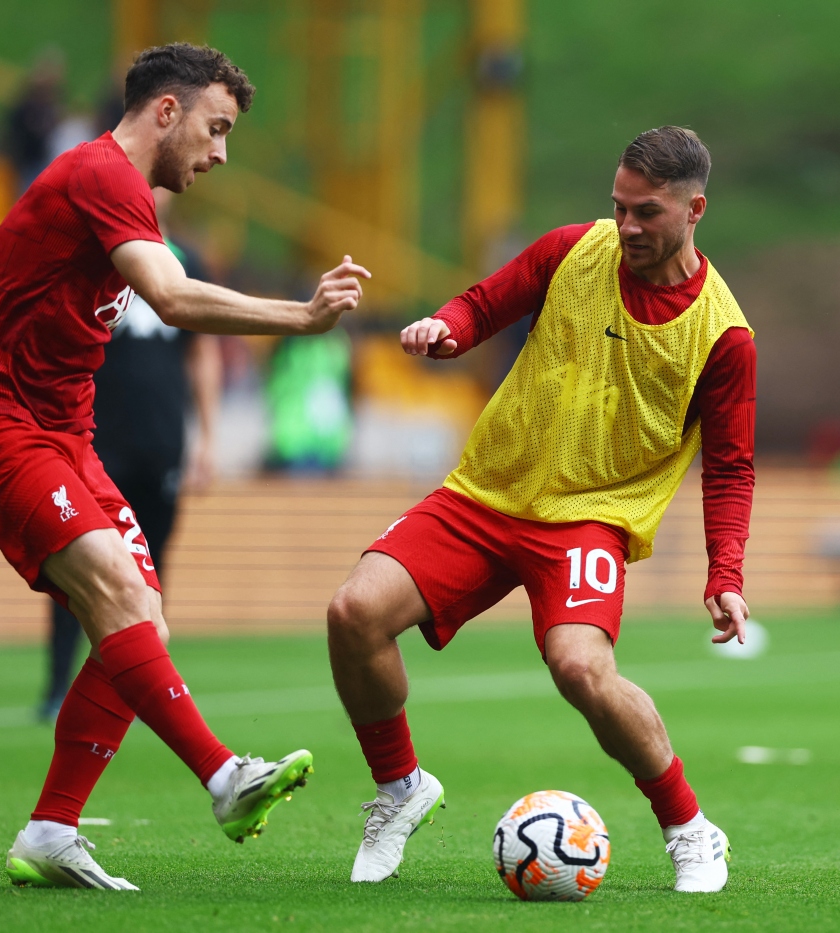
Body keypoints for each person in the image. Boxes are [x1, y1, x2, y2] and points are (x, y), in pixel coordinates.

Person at [0, 43, 370, 891]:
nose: (222, 153)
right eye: (216, 128)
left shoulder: (109, 193)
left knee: (141, 618)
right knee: (120, 593)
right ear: (166, 111)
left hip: (65, 438)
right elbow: (173, 297)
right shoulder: (103, 175)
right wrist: (301, 317)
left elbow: (24, 272)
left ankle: (51, 829)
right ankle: (226, 776)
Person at [326, 126, 755, 892]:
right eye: (619, 206)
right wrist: (444, 330)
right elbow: (485, 304)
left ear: (696, 209)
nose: (626, 226)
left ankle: (690, 827)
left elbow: (730, 466)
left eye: (646, 213)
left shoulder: (724, 335)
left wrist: (726, 571)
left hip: (589, 516)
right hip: (485, 492)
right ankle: (399, 790)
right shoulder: (571, 250)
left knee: (582, 670)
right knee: (354, 611)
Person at [40, 187, 221, 722]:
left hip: (163, 440)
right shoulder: (93, 252)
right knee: (79, 572)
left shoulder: (187, 259)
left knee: (150, 573)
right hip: (95, 439)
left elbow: (203, 350)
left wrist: (207, 438)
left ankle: (132, 695)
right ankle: (56, 687)